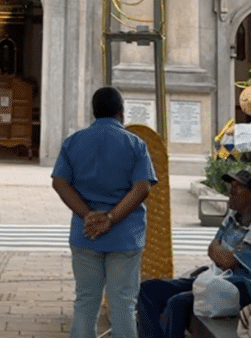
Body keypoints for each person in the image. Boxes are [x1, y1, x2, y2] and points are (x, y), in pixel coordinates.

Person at [51, 86, 157, 338]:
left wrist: (88, 215)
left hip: (85, 234)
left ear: (93, 112)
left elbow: (59, 182)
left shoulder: (74, 141)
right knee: (123, 304)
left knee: (86, 301)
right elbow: (141, 188)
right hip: (125, 236)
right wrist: (110, 219)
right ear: (122, 113)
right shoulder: (135, 144)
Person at [137, 170, 251, 338]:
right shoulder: (233, 216)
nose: (230, 191)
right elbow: (212, 248)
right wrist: (225, 254)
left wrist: (224, 254)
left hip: (241, 290)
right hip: (214, 278)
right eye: (230, 186)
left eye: (237, 188)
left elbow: (229, 261)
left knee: (178, 302)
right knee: (147, 289)